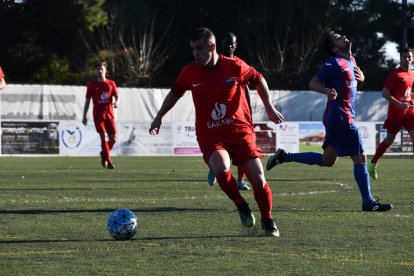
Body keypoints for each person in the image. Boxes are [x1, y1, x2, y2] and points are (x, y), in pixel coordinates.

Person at [149, 27, 284, 236]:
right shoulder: (189, 72)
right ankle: (241, 205)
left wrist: (269, 107)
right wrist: (158, 117)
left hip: (239, 131)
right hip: (210, 134)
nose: (196, 53)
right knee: (221, 166)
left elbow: (258, 79)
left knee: (258, 179)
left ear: (212, 47)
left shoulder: (234, 66)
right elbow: (175, 93)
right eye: (193, 49)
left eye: (200, 48)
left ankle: (268, 220)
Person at [266, 31, 392, 212]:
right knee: (360, 157)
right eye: (337, 38)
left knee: (327, 161)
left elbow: (353, 80)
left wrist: (362, 77)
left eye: (341, 35)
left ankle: (284, 156)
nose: (342, 37)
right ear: (334, 48)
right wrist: (326, 91)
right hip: (341, 117)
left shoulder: (351, 60)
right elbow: (313, 82)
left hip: (336, 118)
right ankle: (368, 202)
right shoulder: (333, 62)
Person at [207, 32, 250, 190]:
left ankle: (240, 180)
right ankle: (214, 168)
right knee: (226, 149)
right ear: (220, 44)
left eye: (233, 43)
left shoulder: (240, 65)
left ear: (236, 45)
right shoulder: (215, 64)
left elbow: (247, 88)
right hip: (221, 114)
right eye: (227, 42)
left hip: (239, 114)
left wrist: (249, 112)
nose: (230, 45)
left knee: (244, 149)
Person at [368, 47, 414, 179]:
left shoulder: (412, 74)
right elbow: (385, 93)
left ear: (413, 58)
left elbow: (406, 92)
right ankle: (373, 162)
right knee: (389, 140)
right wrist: (399, 104)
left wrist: (412, 97)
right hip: (396, 114)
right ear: (400, 58)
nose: (407, 59)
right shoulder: (396, 74)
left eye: (409, 56)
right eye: (404, 56)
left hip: (409, 113)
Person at [82, 61, 119, 169]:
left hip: (110, 115)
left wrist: (117, 102)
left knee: (114, 139)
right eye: (98, 69)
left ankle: (104, 154)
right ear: (95, 71)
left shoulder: (111, 83)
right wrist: (84, 115)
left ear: (105, 71)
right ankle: (109, 161)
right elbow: (87, 101)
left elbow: (117, 96)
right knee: (104, 137)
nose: (100, 71)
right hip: (98, 116)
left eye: (102, 69)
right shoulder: (92, 86)